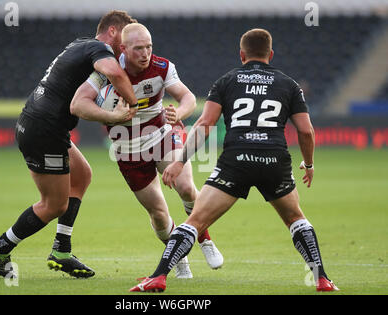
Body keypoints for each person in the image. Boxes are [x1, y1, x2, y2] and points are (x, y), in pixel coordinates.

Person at [130, 28, 339, 292]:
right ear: (270, 54)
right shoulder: (288, 84)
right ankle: (321, 279)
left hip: (236, 160)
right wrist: (308, 164)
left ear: (242, 55)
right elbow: (306, 131)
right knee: (296, 219)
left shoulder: (227, 81)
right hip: (274, 160)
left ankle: (159, 276)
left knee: (195, 221)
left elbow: (205, 124)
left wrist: (180, 161)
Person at [0, 10, 138, 279]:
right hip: (44, 130)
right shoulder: (99, 48)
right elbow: (113, 72)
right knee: (54, 205)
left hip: (43, 126)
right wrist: (132, 105)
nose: (124, 46)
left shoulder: (80, 44)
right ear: (112, 31)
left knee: (82, 176)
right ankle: (0, 247)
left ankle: (62, 250)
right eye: (123, 38)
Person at [71, 23, 224, 278]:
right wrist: (111, 116)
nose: (146, 54)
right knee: (159, 214)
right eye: (139, 48)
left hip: (162, 135)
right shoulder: (105, 70)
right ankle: (178, 258)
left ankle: (205, 239)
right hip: (127, 149)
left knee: (186, 187)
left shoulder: (162, 67)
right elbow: (77, 105)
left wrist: (180, 112)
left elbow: (188, 98)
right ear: (123, 49)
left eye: (149, 47)